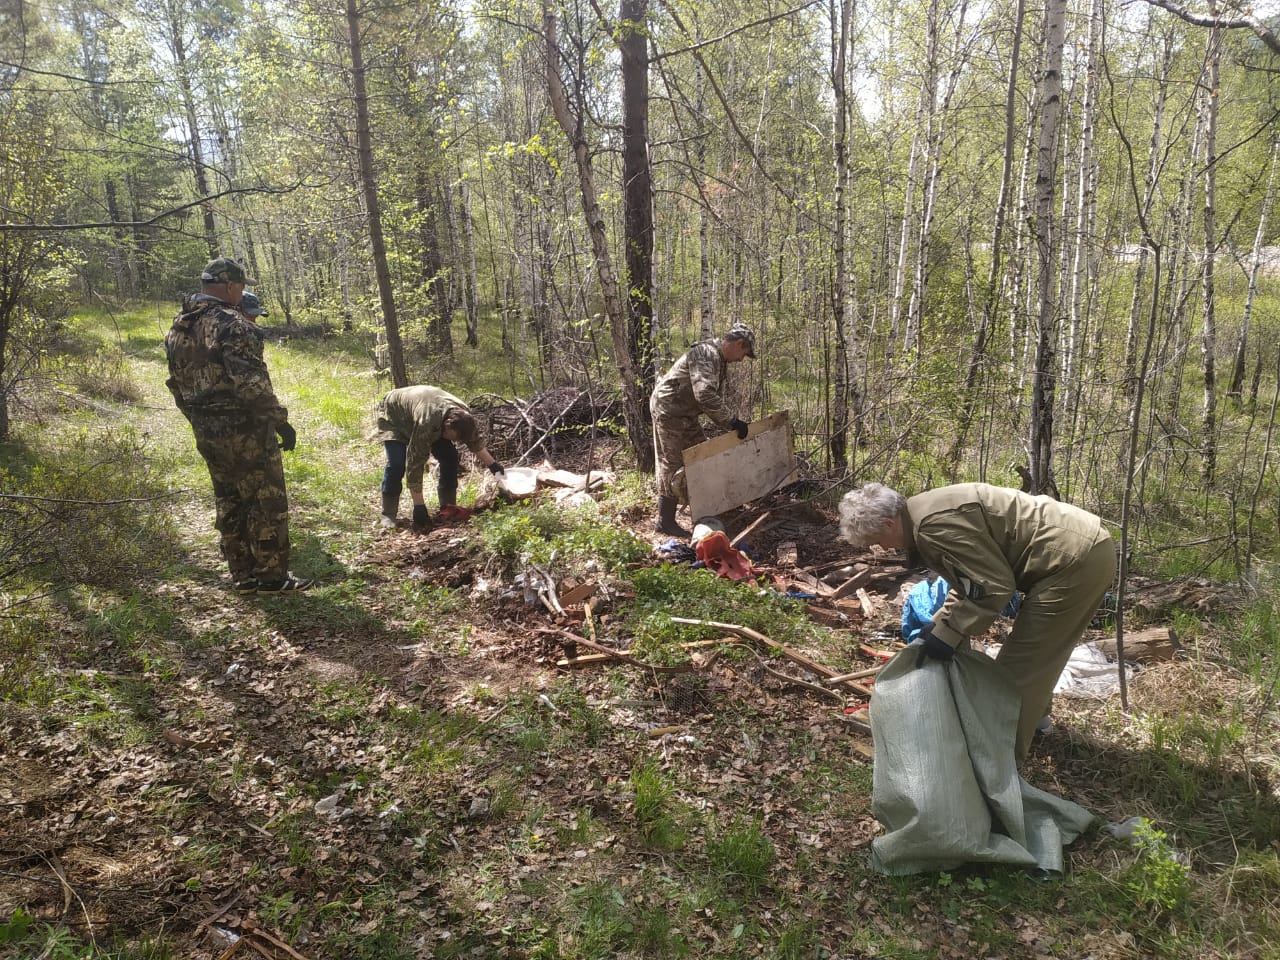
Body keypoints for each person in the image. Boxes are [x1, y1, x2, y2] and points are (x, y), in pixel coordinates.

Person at [838, 482, 1115, 762]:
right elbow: (969, 580)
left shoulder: (933, 527)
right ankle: (1037, 723)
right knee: (1037, 657)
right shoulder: (923, 513)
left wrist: (950, 632)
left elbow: (994, 586)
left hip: (1073, 562)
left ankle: (996, 765)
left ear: (888, 523)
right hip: (1078, 550)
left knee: (1017, 670)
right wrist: (939, 624)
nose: (882, 548)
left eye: (876, 540)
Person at [165, 257, 310, 593]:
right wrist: (280, 422)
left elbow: (176, 383)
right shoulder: (234, 324)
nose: (242, 292)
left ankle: (242, 575)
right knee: (266, 502)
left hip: (206, 430)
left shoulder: (179, 326)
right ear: (230, 286)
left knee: (229, 499)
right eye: (242, 286)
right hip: (246, 430)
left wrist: (197, 419)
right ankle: (271, 577)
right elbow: (251, 386)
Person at [649, 322, 756, 538]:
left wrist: (729, 421)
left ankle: (705, 510)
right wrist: (732, 422)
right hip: (669, 409)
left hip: (684, 412)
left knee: (701, 456)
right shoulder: (707, 354)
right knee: (673, 462)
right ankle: (665, 520)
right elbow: (704, 394)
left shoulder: (716, 357)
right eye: (744, 354)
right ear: (739, 343)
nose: (741, 359)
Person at [374, 385, 505, 530]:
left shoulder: (464, 417)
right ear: (448, 425)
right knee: (397, 464)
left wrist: (494, 466)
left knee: (450, 456)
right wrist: (419, 506)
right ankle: (388, 515)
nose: (455, 442)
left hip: (425, 413)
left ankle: (448, 507)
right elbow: (415, 463)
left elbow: (474, 442)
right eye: (453, 438)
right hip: (394, 414)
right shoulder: (427, 423)